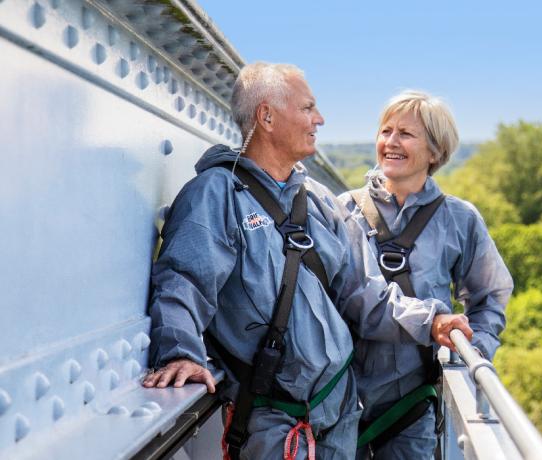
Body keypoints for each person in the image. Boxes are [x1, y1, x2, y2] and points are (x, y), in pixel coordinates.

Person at [142, 64, 472, 460]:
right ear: (267, 117)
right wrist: (179, 352)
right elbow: (183, 280)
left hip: (339, 416)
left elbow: (361, 293)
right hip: (274, 424)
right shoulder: (216, 195)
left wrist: (431, 320)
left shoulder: (317, 200)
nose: (320, 119)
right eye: (307, 108)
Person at [338, 90, 513, 459]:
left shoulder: (459, 219)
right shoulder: (344, 211)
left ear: (435, 152)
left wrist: (472, 352)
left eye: (406, 133)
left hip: (412, 404)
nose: (391, 142)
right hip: (338, 402)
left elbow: (490, 297)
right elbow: (350, 294)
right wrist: (432, 322)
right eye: (386, 131)